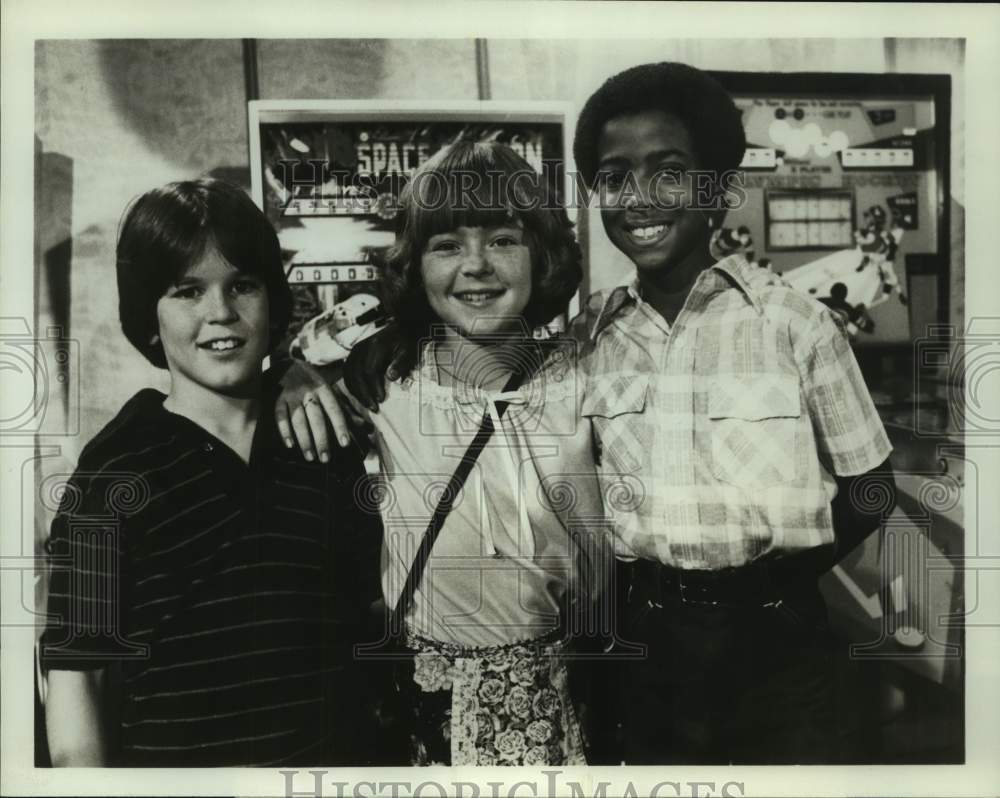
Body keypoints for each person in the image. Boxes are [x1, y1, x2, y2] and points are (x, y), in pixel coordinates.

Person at [298, 62, 900, 765]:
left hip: (775, 642)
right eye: (615, 176)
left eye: (669, 171)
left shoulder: (794, 324)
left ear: (718, 188)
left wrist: (777, 579)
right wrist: (299, 371)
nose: (640, 197)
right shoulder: (591, 338)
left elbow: (872, 486)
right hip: (643, 647)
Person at [277, 140, 615, 766]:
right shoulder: (387, 382)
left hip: (564, 697)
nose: (477, 265)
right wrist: (288, 377)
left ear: (541, 253)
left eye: (503, 240)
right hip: (427, 705)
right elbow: (281, 371)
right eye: (447, 245)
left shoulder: (584, 377)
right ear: (416, 264)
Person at [40, 178, 381, 766]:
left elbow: (363, 620)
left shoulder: (324, 438)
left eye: (242, 286)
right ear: (148, 316)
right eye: (187, 291)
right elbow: (81, 676)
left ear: (273, 299)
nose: (220, 312)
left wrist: (296, 369)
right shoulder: (111, 474)